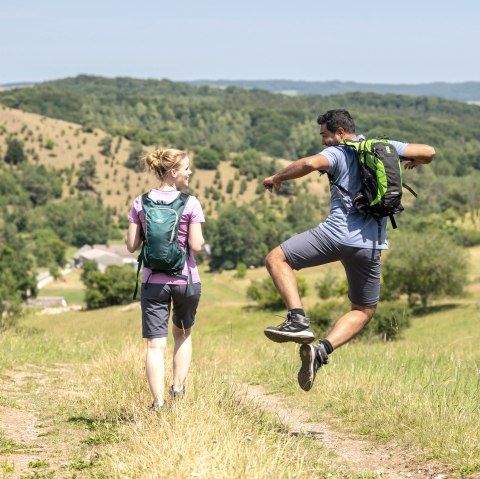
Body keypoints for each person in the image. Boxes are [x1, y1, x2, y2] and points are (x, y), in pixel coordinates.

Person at [262, 109, 435, 392]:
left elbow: (308, 163)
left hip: (334, 236)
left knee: (276, 258)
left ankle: (297, 320)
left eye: (325, 135)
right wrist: (414, 160)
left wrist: (278, 177)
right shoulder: (386, 147)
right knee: (364, 309)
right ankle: (323, 349)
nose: (323, 141)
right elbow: (429, 151)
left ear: (340, 133)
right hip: (370, 245)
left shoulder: (339, 153)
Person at [126, 148, 205, 410]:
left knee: (155, 344)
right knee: (182, 334)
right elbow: (196, 245)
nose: (190, 172)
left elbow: (131, 245)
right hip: (185, 281)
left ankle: (158, 402)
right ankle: (178, 389)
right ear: (173, 173)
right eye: (186, 168)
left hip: (153, 282)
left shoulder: (140, 202)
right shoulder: (190, 202)